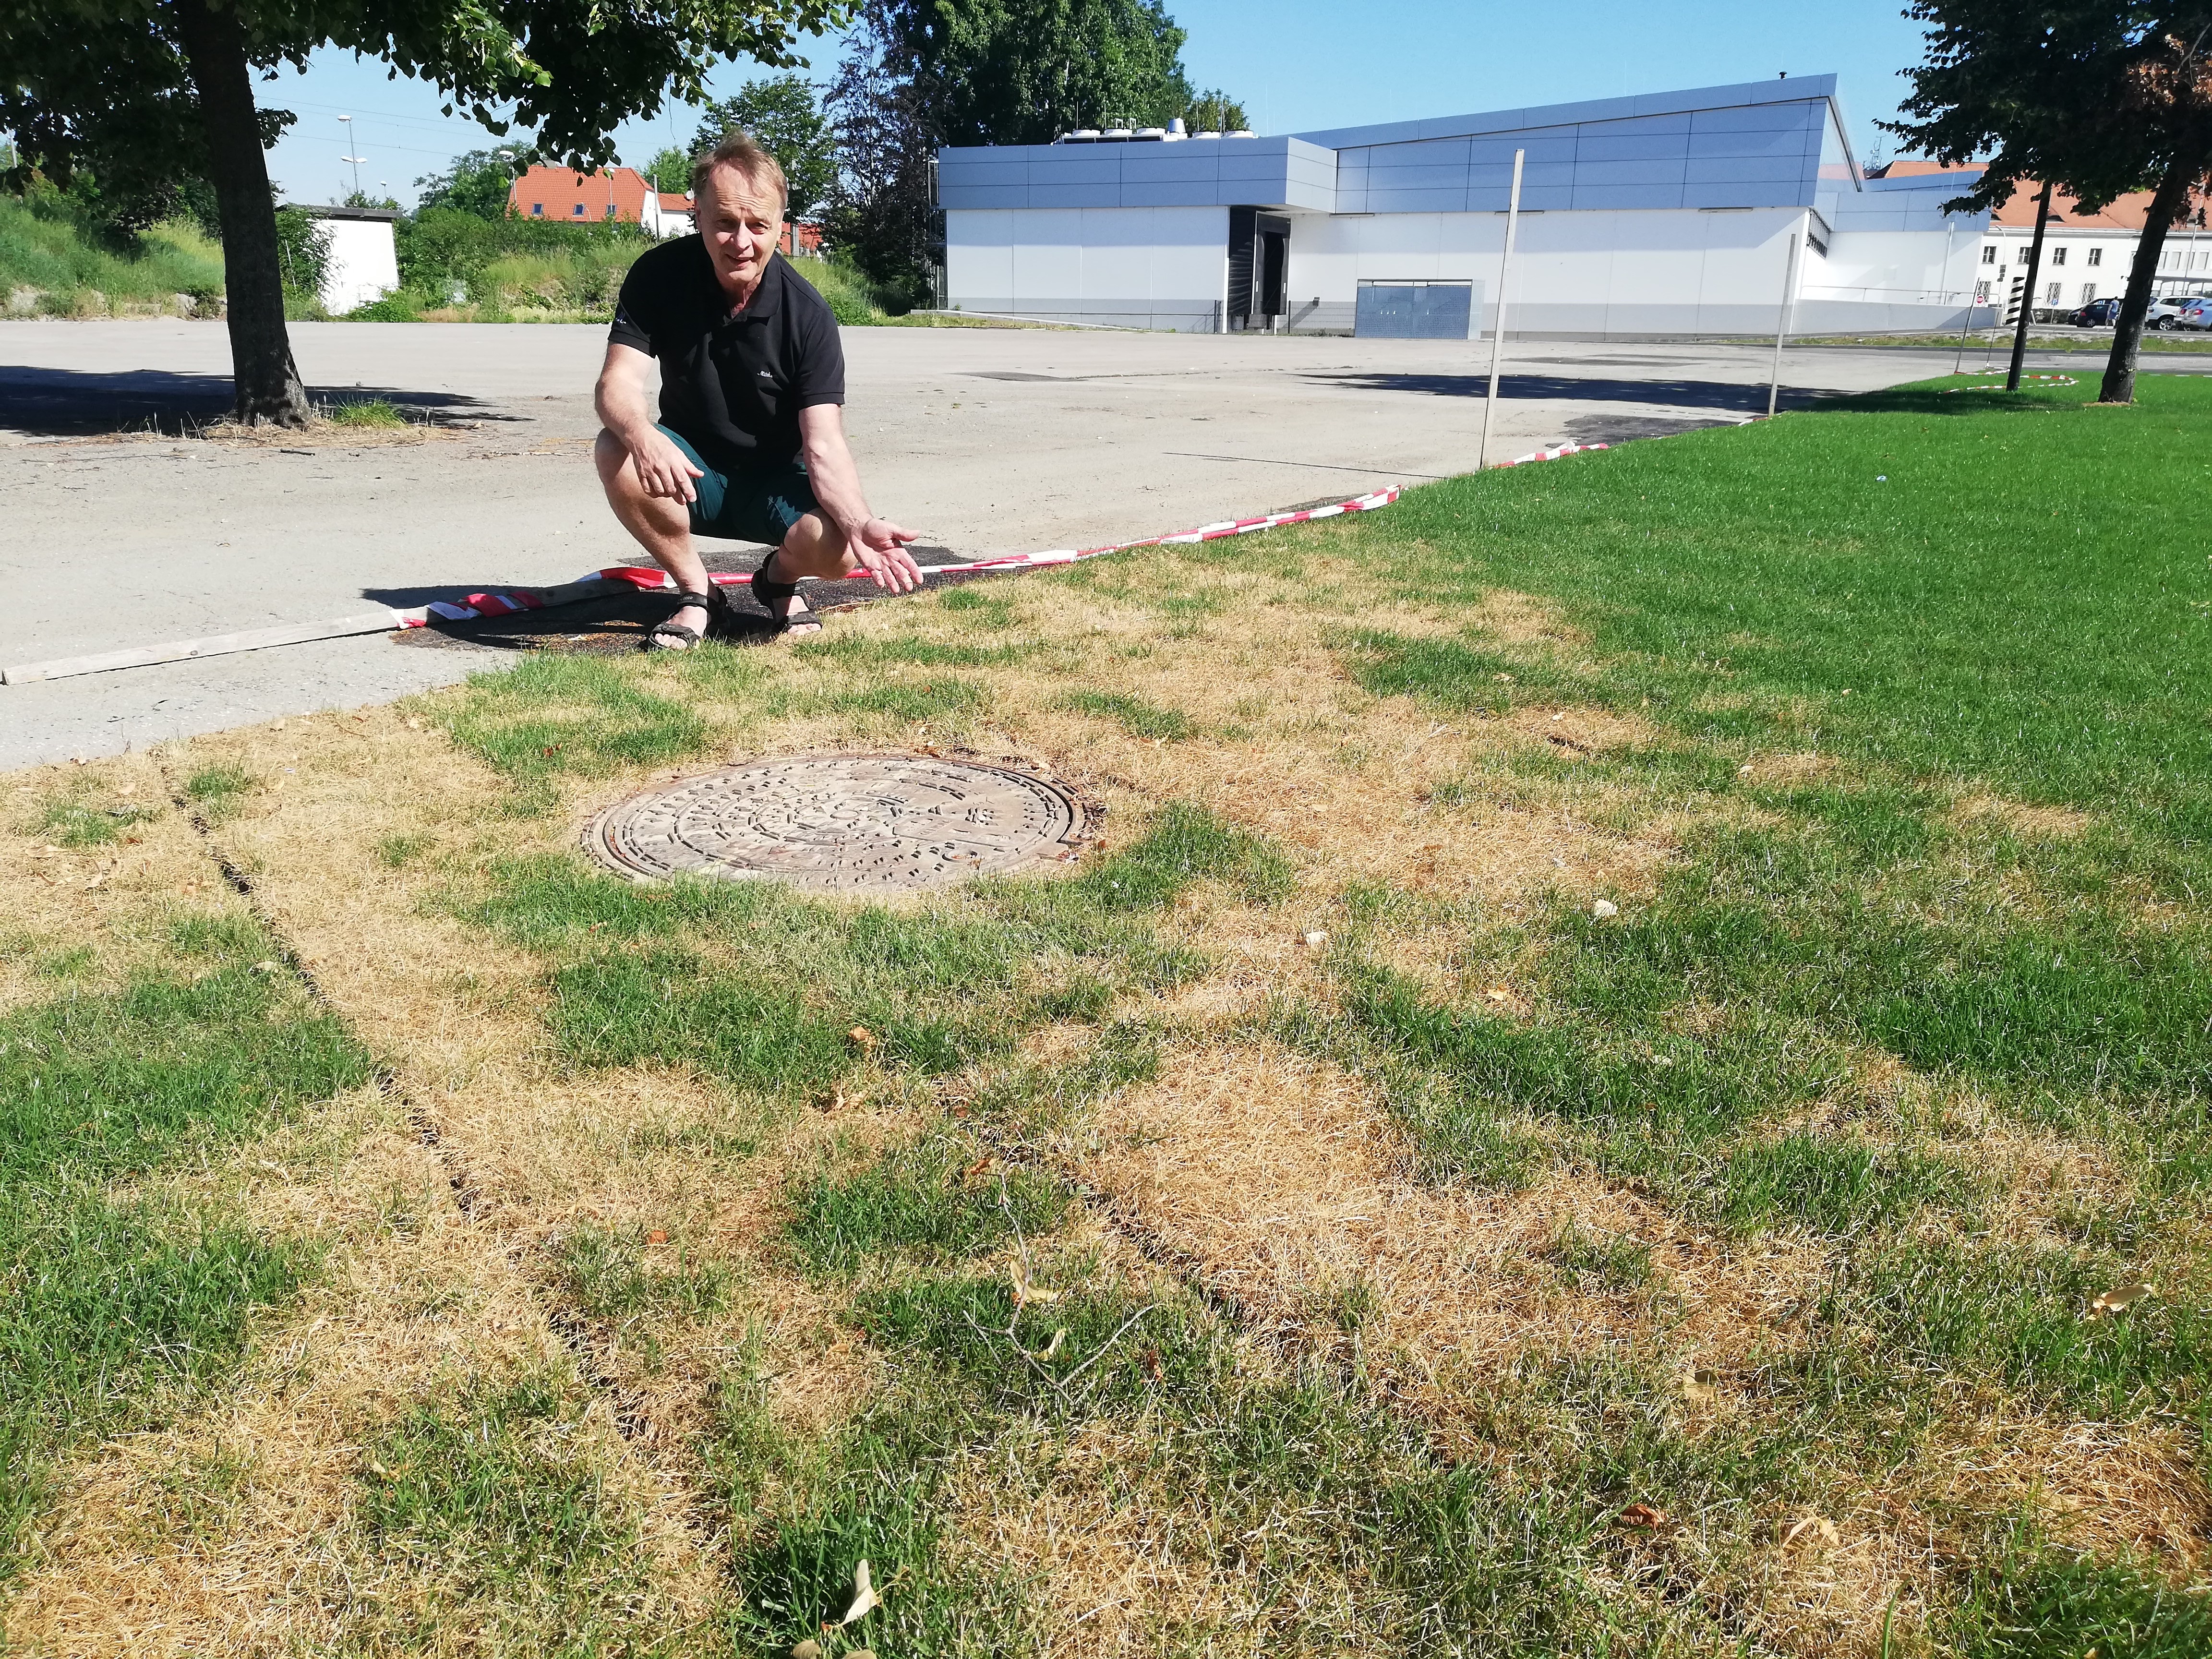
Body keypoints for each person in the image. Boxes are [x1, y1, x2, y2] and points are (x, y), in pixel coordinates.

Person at [593, 132, 922, 649]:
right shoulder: (658, 276)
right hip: (693, 470)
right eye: (724, 223)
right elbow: (617, 383)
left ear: (779, 227)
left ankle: (777, 581)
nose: (740, 241)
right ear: (697, 216)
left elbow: (824, 442)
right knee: (615, 445)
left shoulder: (808, 316)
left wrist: (860, 522)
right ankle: (699, 595)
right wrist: (641, 434)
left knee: (836, 548)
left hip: (776, 482)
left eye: (757, 225)